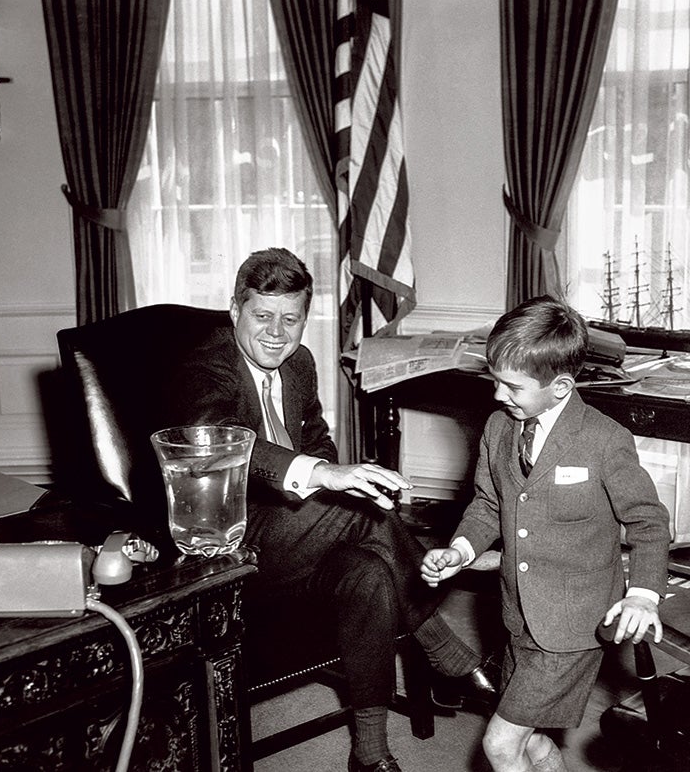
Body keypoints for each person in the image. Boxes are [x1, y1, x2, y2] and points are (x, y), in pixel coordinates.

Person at [162, 248, 495, 772]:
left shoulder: (298, 363)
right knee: (363, 514)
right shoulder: (203, 367)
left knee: (370, 572)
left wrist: (335, 476)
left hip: (301, 535)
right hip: (228, 544)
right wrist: (325, 478)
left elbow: (315, 439)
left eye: (290, 319)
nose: (277, 333)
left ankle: (369, 752)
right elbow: (226, 448)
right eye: (262, 316)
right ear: (235, 311)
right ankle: (444, 648)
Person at [420, 295, 671, 772]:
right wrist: (460, 549)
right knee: (530, 742)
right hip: (518, 616)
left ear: (561, 386)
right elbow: (488, 504)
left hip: (574, 626)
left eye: (512, 387)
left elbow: (649, 522)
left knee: (500, 745)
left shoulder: (603, 439)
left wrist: (642, 596)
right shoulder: (499, 428)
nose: (498, 396)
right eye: (495, 381)